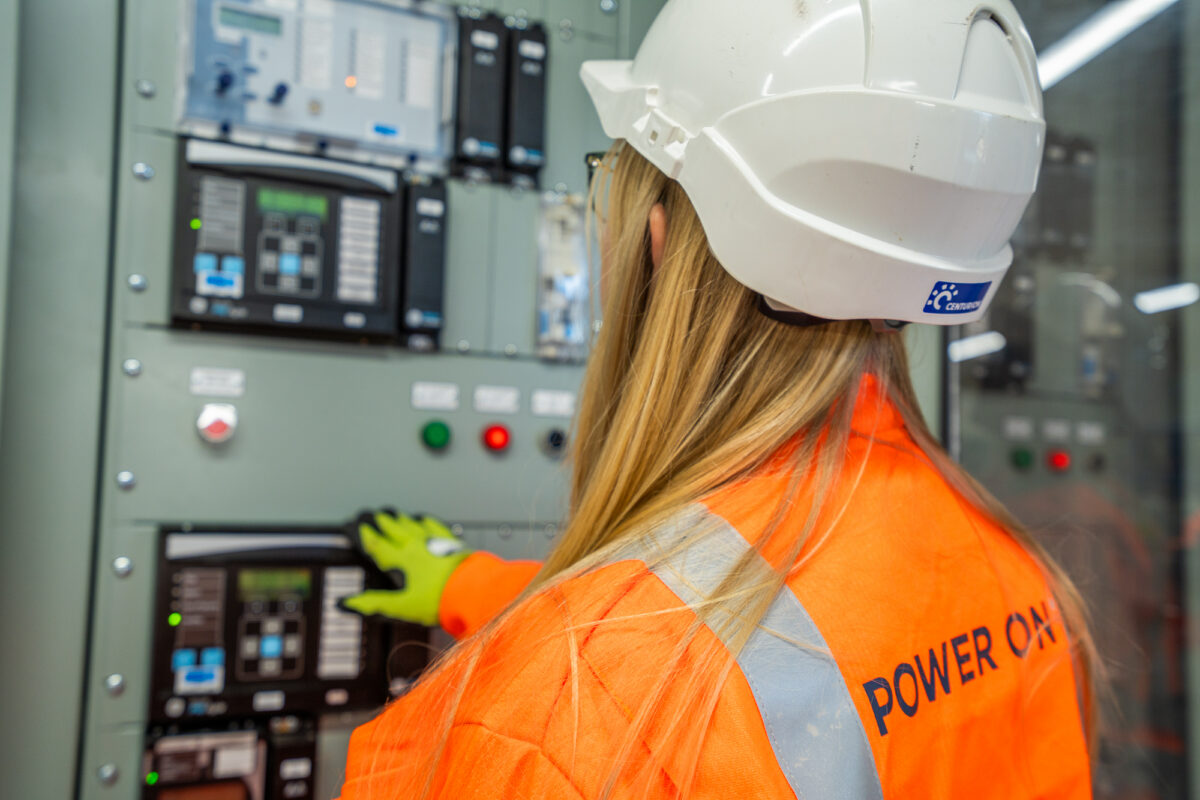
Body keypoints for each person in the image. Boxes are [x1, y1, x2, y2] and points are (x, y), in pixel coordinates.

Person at [337, 0, 1096, 796]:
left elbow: (654, 668)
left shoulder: (562, 720)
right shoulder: (1007, 566)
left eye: (610, 182)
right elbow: (766, 641)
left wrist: (542, 641)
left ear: (660, 242)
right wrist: (473, 587)